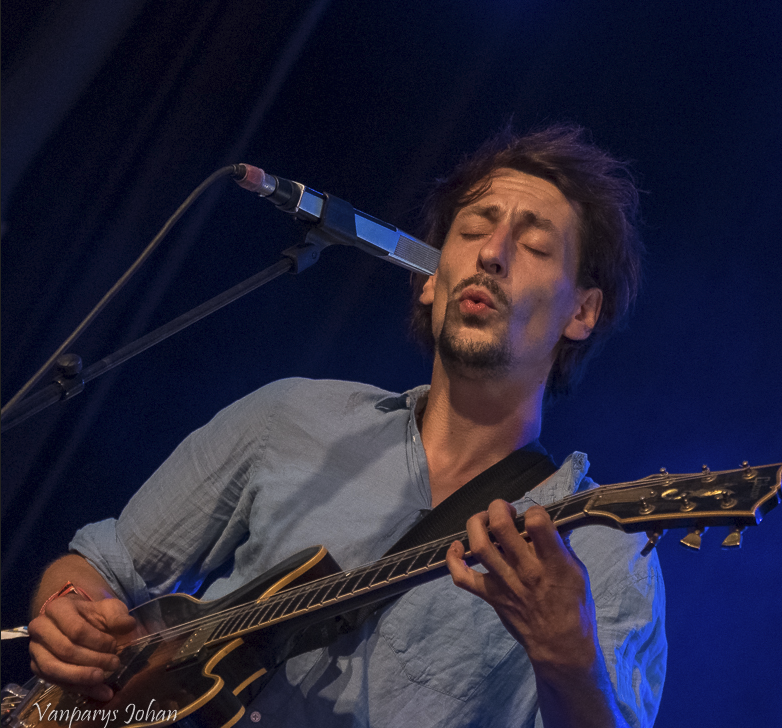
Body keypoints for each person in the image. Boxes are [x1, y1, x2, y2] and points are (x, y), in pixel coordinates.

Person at [27, 125, 666, 728]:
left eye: (534, 246)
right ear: (429, 277)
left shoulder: (601, 552)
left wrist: (569, 659)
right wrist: (68, 615)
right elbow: (101, 568)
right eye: (473, 229)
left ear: (582, 312)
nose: (492, 254)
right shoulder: (290, 416)